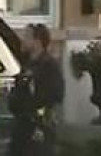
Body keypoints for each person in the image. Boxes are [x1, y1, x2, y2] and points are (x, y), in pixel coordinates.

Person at [8, 23, 65, 156]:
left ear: (37, 41)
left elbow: (55, 95)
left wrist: (33, 109)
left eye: (27, 37)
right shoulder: (27, 62)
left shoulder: (49, 66)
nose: (23, 40)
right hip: (22, 125)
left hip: (38, 128)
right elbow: (11, 41)